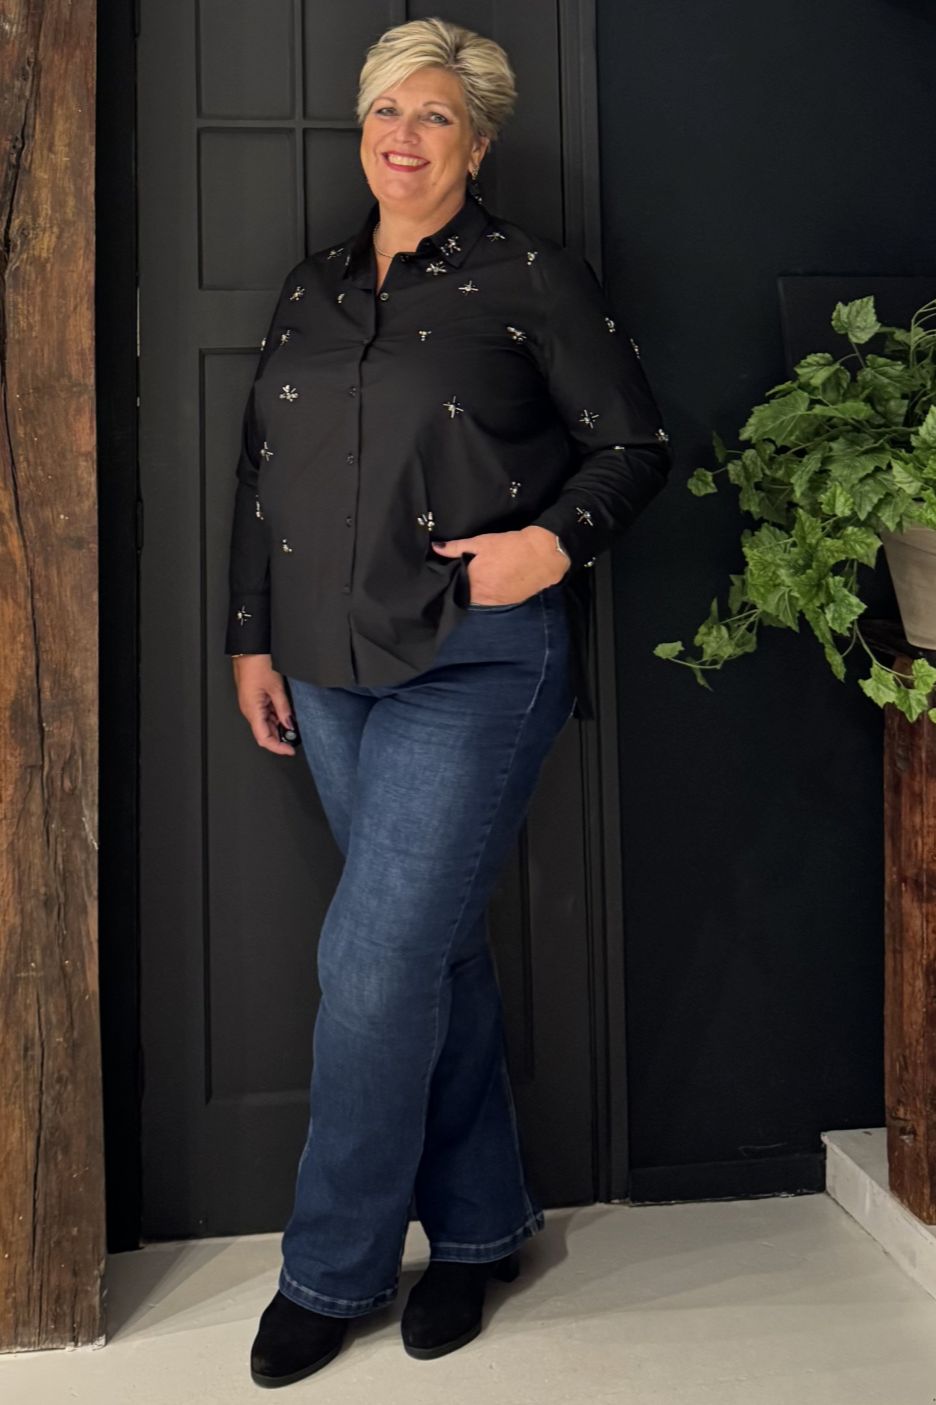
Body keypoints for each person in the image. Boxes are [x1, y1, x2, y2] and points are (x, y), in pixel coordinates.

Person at [225, 16, 671, 1389]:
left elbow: (634, 443)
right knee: (427, 953)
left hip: (476, 663)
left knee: (372, 963)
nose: (402, 137)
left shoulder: (532, 275)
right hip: (325, 666)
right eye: (385, 112)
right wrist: (251, 638)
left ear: (477, 144)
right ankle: (479, 1230)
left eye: (432, 116)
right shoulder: (311, 286)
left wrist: (553, 545)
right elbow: (261, 473)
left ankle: (330, 1270)